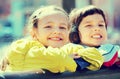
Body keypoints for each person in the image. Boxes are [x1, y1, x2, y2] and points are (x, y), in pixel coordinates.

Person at [0, 5, 103, 74]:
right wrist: (70, 61)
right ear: (34, 32)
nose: (57, 31)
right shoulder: (23, 47)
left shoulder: (66, 49)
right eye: (48, 26)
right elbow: (55, 60)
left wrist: (71, 59)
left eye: (62, 27)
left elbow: (96, 57)